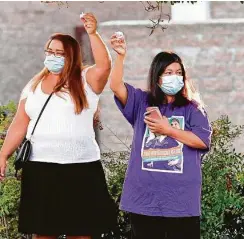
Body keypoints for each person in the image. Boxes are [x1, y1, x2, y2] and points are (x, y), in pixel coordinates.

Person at [0, 13, 117, 239]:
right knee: (43, 233)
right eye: (49, 52)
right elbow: (19, 125)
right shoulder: (33, 85)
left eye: (59, 53)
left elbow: (104, 66)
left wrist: (92, 33)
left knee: (82, 232)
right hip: (41, 169)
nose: (52, 57)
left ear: (71, 56)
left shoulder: (85, 80)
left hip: (81, 168)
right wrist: (3, 154)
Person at [109, 32, 212, 239]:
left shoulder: (193, 108)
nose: (175, 77)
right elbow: (115, 86)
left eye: (178, 72)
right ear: (157, 77)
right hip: (144, 199)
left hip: (181, 202)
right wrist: (120, 57)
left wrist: (169, 130)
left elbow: (201, 141)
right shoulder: (142, 102)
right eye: (168, 72)